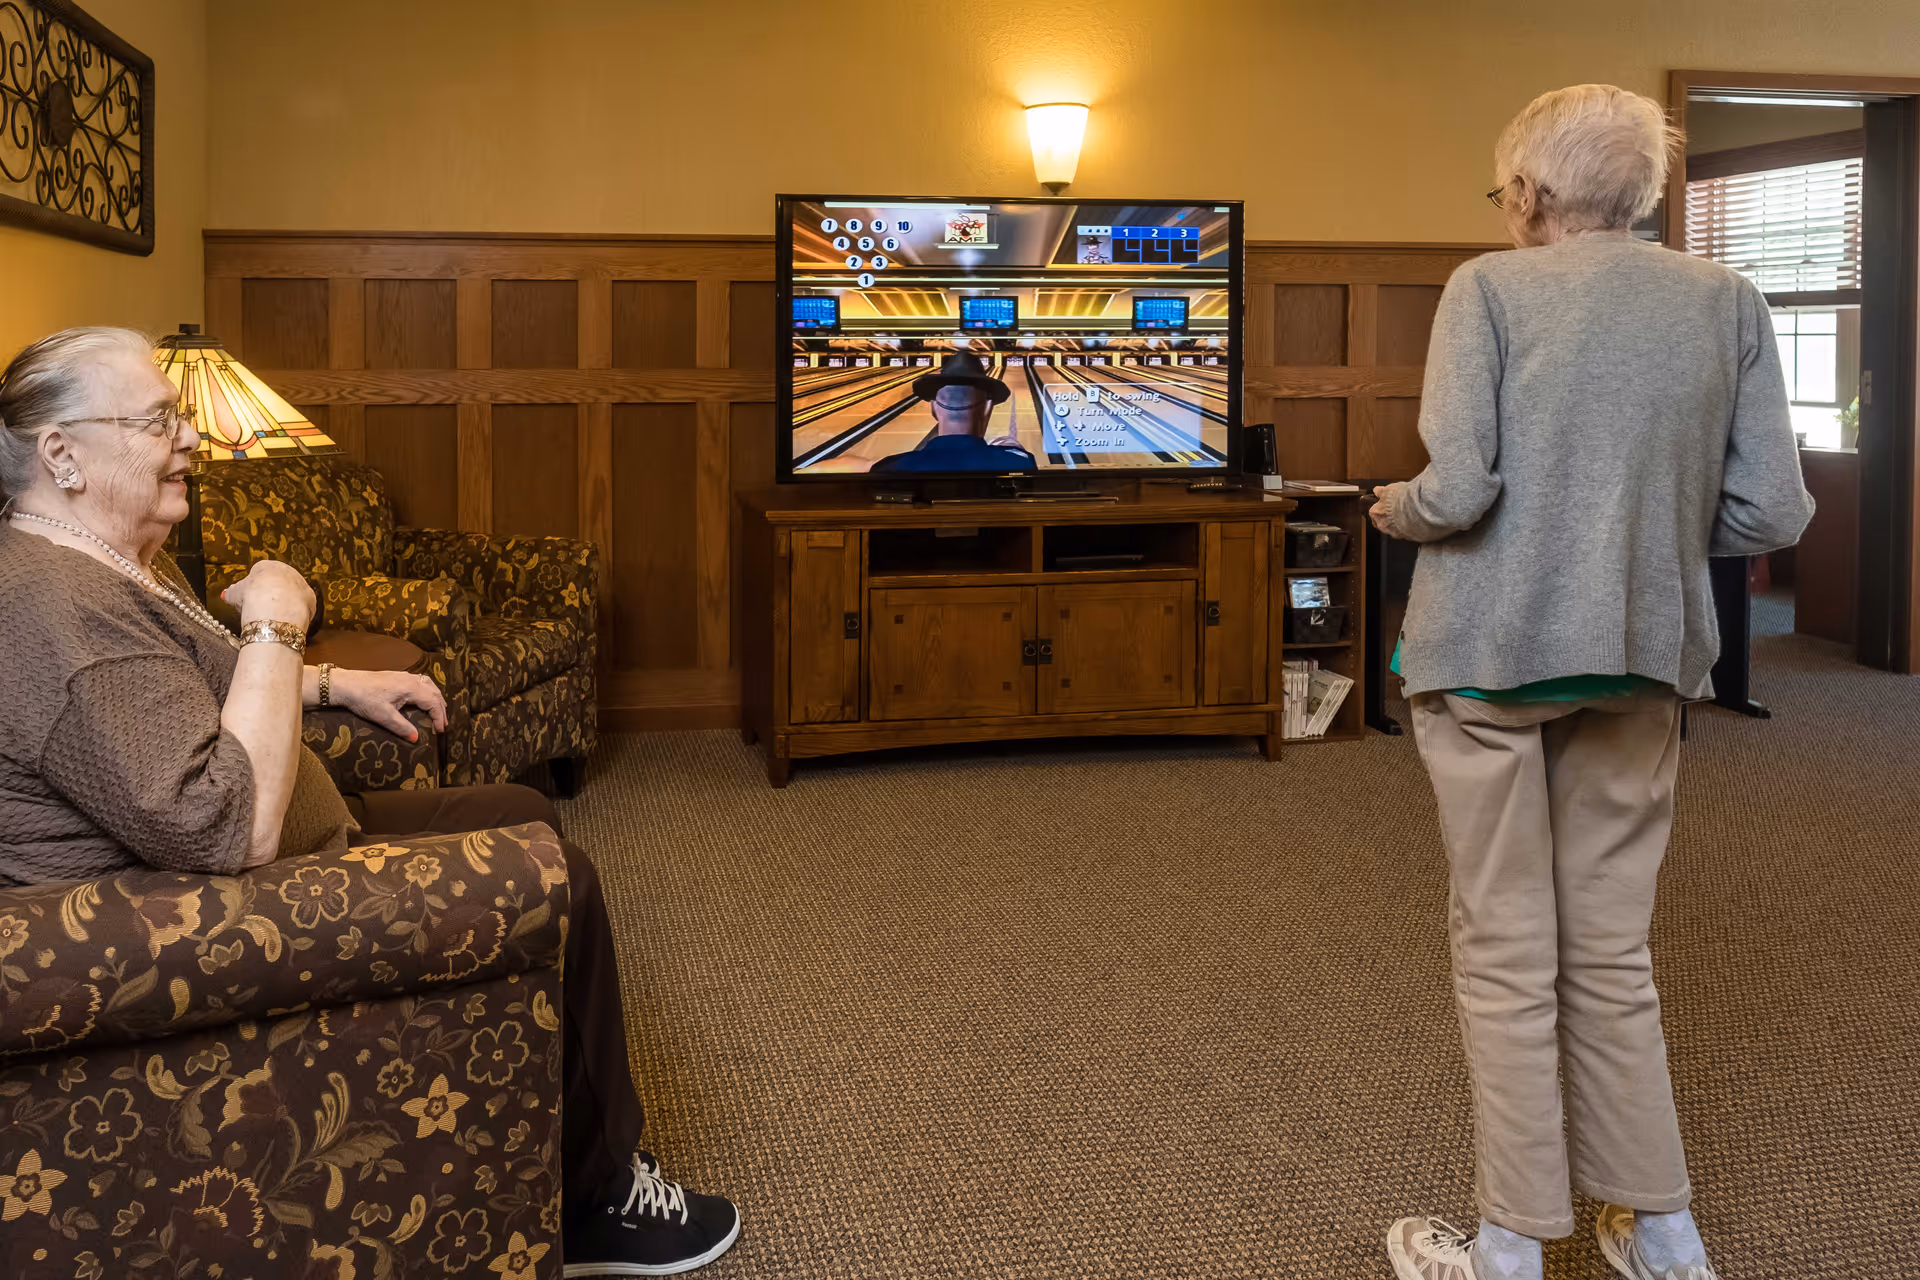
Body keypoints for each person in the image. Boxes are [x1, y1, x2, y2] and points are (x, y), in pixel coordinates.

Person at [0, 327, 741, 1276]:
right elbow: (227, 826)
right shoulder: (62, 612)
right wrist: (276, 616)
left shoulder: (100, 560)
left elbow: (204, 679)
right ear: (61, 452)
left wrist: (334, 680)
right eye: (157, 421)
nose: (188, 439)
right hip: (226, 914)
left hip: (278, 850)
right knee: (563, 875)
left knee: (522, 808)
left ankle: (543, 1114)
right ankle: (597, 1201)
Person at [1369, 86, 1813, 1280]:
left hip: (1490, 656)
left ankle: (1513, 1243)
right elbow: (1771, 508)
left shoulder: (1489, 288)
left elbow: (1456, 492)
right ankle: (1663, 1232)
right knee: (1613, 952)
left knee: (1509, 946)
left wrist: (1389, 509)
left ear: (1527, 195)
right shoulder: (1729, 299)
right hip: (1644, 658)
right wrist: (1649, 541)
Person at [869, 350, 1037, 473]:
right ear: (987, 408)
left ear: (934, 408)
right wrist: (1011, 448)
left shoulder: (891, 469)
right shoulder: (1019, 464)